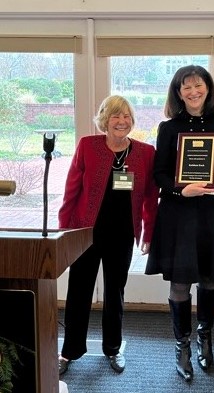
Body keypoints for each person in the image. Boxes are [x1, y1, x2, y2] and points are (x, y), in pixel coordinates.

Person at [145, 65, 214, 382]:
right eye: (186, 87)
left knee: (210, 279)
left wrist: (209, 174)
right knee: (180, 283)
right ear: (178, 92)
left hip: (211, 210)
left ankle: (206, 337)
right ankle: (182, 346)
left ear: (208, 89)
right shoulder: (168, 128)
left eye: (198, 85)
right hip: (179, 213)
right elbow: (159, 173)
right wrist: (181, 187)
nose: (193, 91)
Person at [58, 95, 159, 375]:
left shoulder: (146, 152)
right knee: (79, 291)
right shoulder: (87, 146)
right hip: (85, 232)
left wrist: (147, 233)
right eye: (116, 116)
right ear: (105, 119)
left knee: (115, 292)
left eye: (126, 116)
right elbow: (71, 190)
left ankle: (113, 349)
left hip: (123, 232)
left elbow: (152, 196)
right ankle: (69, 352)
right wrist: (64, 230)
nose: (122, 121)